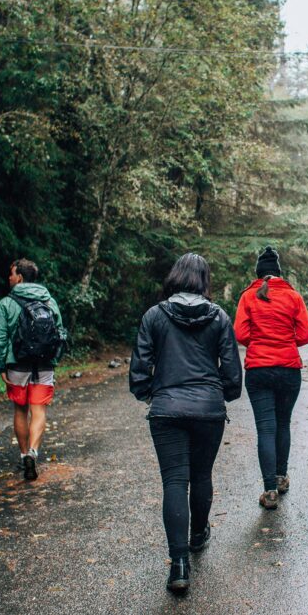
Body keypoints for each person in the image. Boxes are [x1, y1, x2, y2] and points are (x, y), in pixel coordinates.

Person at [129, 254, 242, 595]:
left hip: (166, 410)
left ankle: (179, 565)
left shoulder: (154, 315)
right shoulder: (219, 315)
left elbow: (139, 368)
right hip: (208, 410)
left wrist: (152, 394)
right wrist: (221, 393)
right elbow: (233, 373)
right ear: (204, 279)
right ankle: (197, 536)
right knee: (202, 475)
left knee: (174, 482)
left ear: (175, 277)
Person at [234, 246, 308, 510]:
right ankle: (281, 477)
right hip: (289, 368)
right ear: (278, 273)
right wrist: (284, 338)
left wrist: (260, 339)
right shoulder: (293, 296)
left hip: (258, 369)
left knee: (266, 428)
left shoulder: (248, 297)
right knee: (283, 423)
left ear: (258, 273)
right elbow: (305, 335)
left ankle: (269, 491)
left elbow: (241, 334)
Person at [0, 258, 64, 482]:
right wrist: (54, 359)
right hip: (43, 364)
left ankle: (24, 456)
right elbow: (60, 332)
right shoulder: (49, 301)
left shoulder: (6, 303)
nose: (9, 278)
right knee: (39, 411)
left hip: (17, 365)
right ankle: (34, 451)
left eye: (11, 274)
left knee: (20, 410)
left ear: (20, 277)